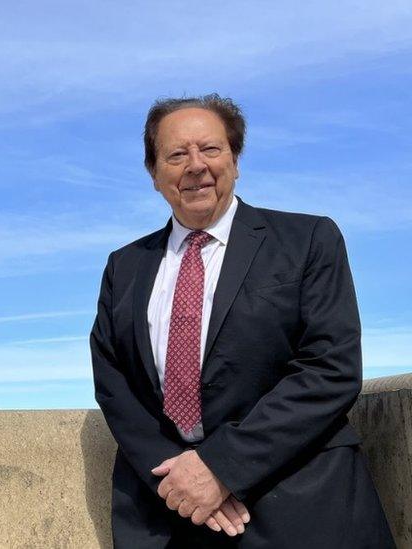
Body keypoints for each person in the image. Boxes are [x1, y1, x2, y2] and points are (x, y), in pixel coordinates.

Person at [89, 94, 395, 548]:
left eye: (211, 149)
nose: (196, 165)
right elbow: (114, 381)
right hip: (168, 514)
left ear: (235, 159)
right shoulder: (125, 266)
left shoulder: (308, 239)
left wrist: (221, 466)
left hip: (298, 508)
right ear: (154, 174)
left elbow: (330, 369)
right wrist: (181, 481)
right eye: (176, 154)